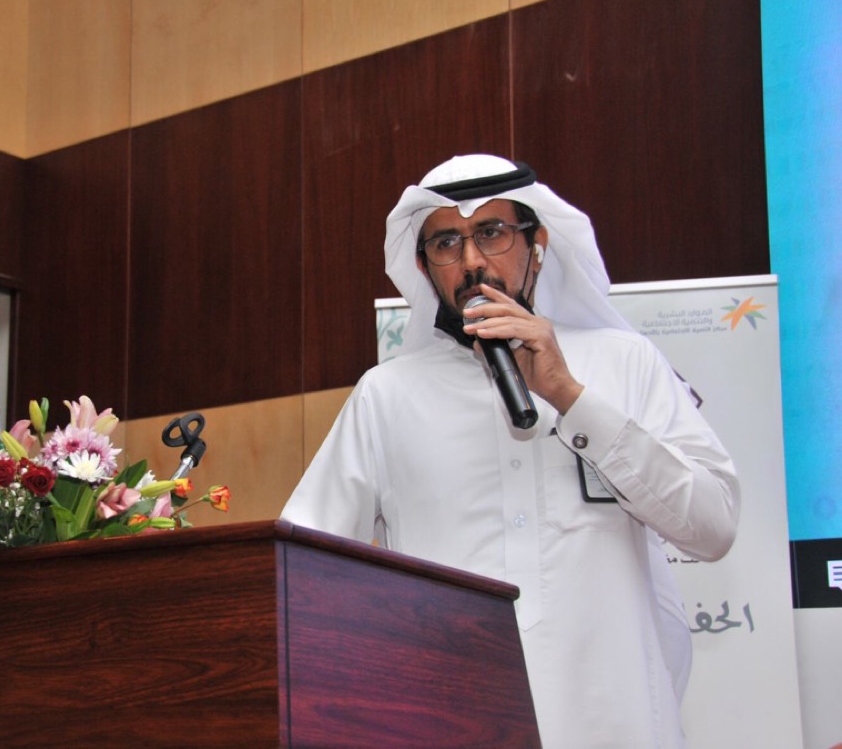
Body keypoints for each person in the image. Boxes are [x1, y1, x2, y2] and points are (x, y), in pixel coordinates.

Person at [280, 154, 740, 748]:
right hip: (450, 720)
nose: (472, 260)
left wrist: (569, 396)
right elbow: (302, 569)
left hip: (615, 720)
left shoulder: (624, 362)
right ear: (424, 267)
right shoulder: (387, 395)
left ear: (537, 244)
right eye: (447, 243)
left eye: (492, 233)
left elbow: (712, 527)